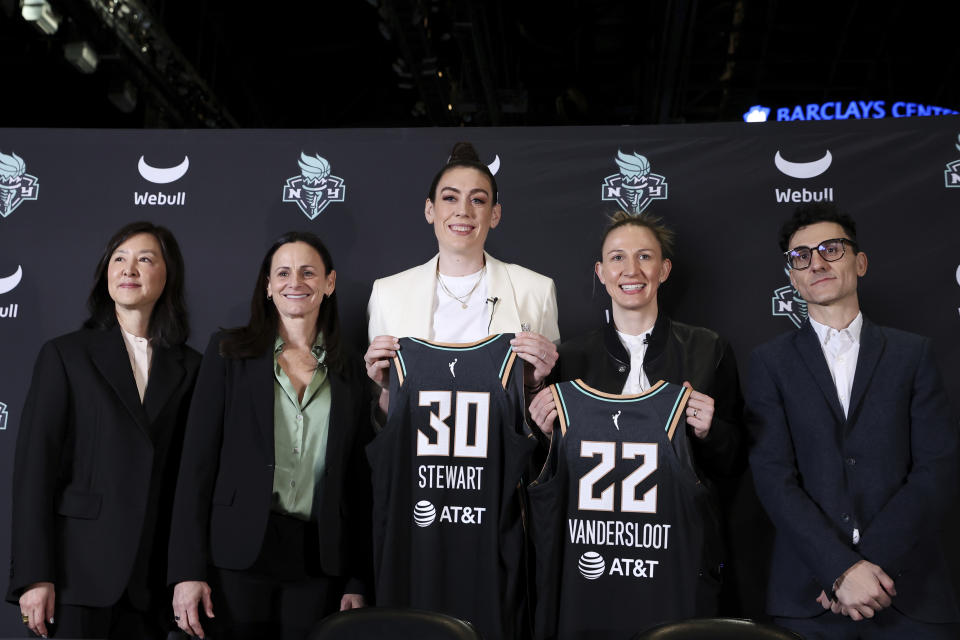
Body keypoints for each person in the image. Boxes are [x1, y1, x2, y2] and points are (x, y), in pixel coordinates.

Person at [746, 203, 960, 638]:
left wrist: (866, 568)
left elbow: (936, 469)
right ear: (792, 277)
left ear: (859, 262)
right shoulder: (769, 363)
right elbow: (773, 477)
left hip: (909, 595)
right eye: (801, 256)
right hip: (811, 600)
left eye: (831, 249)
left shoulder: (912, 354)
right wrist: (837, 568)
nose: (817, 263)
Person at [526, 211, 743, 632]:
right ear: (601, 272)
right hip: (589, 559)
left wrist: (710, 431)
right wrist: (541, 429)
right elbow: (545, 476)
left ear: (664, 270)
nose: (632, 270)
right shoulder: (569, 359)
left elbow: (734, 464)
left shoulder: (707, 348)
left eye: (645, 257)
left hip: (674, 557)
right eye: (618, 258)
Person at [168, 232, 372, 640]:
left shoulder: (351, 367)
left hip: (318, 562)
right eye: (282, 272)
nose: (294, 281)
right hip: (236, 556)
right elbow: (195, 467)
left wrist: (358, 579)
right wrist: (187, 571)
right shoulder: (228, 352)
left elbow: (358, 483)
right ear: (267, 285)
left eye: (307, 272)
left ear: (329, 283)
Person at [6, 221, 200, 639]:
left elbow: (192, 483)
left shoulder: (192, 367)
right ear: (105, 273)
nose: (129, 269)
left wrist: (186, 571)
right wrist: (34, 576)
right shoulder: (65, 355)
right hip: (75, 577)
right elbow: (34, 470)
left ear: (168, 275)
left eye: (145, 259)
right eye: (119, 259)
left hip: (150, 581)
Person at [365, 141, 560, 418]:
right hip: (417, 455)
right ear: (430, 210)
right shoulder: (388, 293)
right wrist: (386, 389)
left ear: (494, 214)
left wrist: (535, 383)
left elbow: (545, 414)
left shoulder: (536, 290)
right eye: (450, 198)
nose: (463, 211)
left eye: (477, 200)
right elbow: (383, 418)